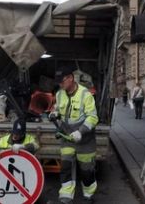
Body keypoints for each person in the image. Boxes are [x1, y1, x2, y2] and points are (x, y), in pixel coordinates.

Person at [49, 66, 98, 204]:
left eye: (62, 81)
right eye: (58, 82)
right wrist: (55, 114)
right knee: (65, 166)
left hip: (85, 141)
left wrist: (81, 131)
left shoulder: (85, 94)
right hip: (67, 138)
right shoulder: (59, 94)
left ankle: (88, 195)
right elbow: (57, 109)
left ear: (71, 78)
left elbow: (93, 117)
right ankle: (66, 195)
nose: (60, 84)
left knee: (86, 171)